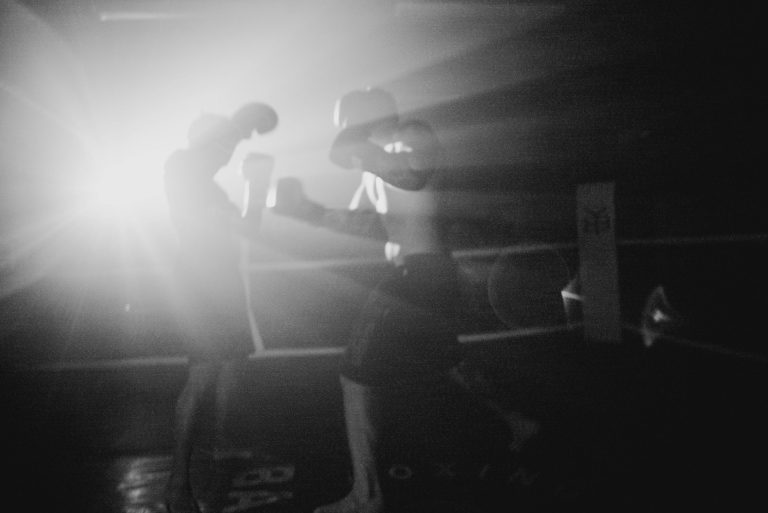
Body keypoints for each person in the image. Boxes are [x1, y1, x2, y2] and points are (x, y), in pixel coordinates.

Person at [271, 87, 538, 513]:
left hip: (421, 273)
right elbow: (367, 224)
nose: (346, 135)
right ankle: (519, 422)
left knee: (354, 375)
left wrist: (362, 152)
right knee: (446, 358)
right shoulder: (375, 158)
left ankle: (367, 496)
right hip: (417, 275)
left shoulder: (414, 134)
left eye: (349, 127)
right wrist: (306, 210)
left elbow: (412, 175)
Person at [163, 103, 278, 513]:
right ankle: (177, 483)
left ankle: (222, 450)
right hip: (200, 284)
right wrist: (241, 122)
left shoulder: (212, 187)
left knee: (230, 363)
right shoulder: (181, 167)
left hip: (221, 282)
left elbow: (248, 228)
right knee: (203, 375)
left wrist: (257, 187)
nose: (229, 152)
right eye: (225, 143)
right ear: (206, 142)